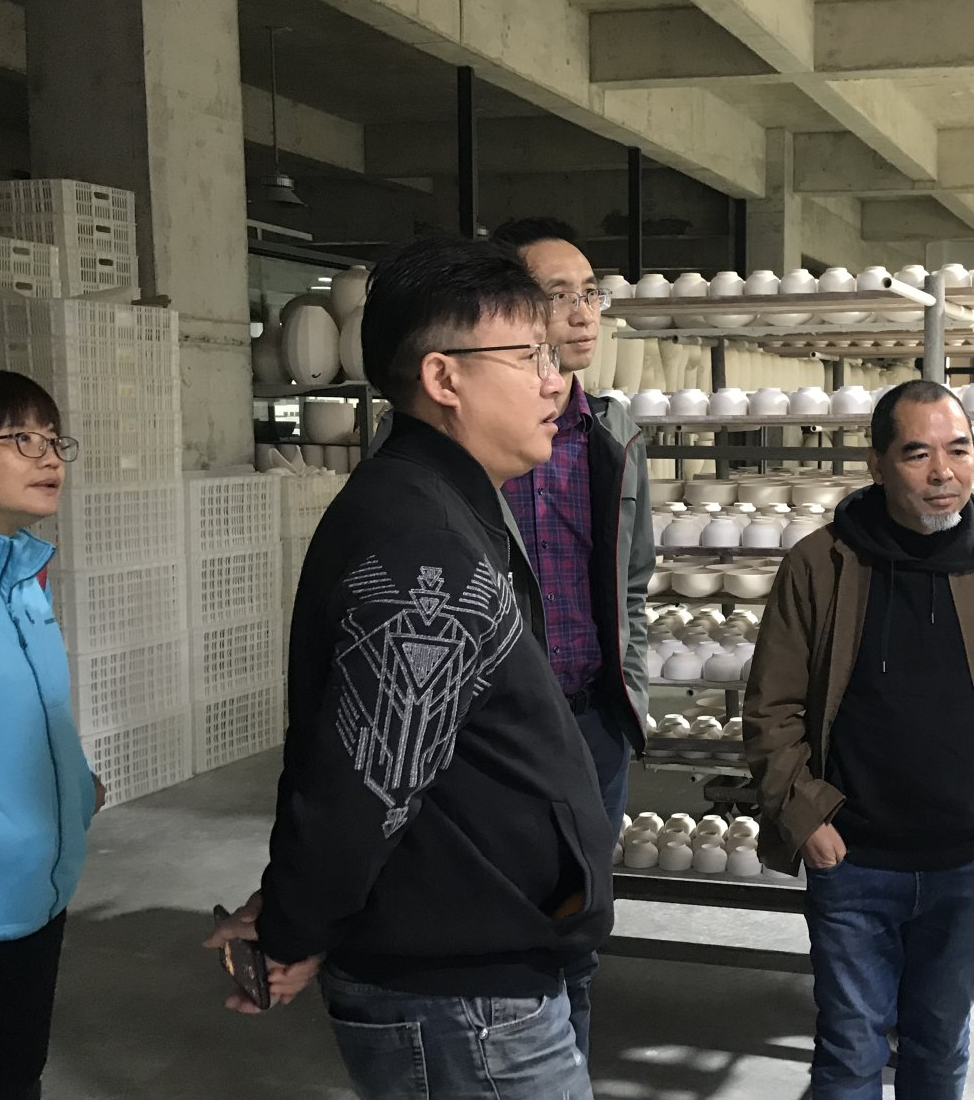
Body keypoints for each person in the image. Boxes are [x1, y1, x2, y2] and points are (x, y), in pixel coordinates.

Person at [206, 237, 612, 1099]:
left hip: (473, 971)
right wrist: (295, 923)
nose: (555, 382)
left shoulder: (444, 504)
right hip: (460, 1000)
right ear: (442, 377)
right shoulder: (419, 537)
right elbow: (363, 780)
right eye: (529, 356)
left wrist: (295, 909)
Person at [744, 379, 974, 1100]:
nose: (943, 472)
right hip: (854, 859)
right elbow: (772, 706)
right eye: (918, 453)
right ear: (878, 463)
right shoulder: (820, 564)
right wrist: (805, 816)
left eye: (960, 450)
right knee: (849, 1052)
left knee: (938, 1046)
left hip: (967, 859)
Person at [490, 216, 653, 1057]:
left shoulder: (613, 433)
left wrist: (630, 694)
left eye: (590, 293)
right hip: (497, 725)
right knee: (498, 908)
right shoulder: (472, 435)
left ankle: (564, 1069)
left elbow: (634, 578)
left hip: (592, 719)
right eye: (559, 296)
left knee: (581, 915)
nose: (583, 312)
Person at [0, 370, 104, 1099]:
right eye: (21, 438)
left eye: (52, 439)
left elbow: (37, 715)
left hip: (35, 895)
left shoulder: (21, 580)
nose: (49, 456)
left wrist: (75, 793)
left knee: (13, 1077)